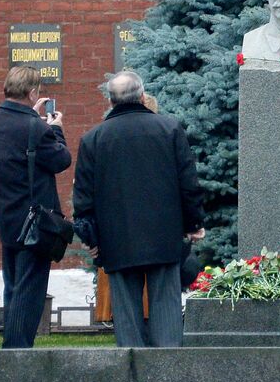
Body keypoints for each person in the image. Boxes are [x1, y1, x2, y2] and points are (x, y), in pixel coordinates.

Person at [73, 70, 204, 347]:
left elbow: (83, 199)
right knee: (166, 311)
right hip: (164, 237)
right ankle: (167, 376)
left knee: (127, 322)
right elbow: (188, 183)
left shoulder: (93, 139)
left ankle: (132, 376)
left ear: (110, 101)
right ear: (143, 96)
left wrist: (92, 240)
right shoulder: (169, 129)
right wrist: (193, 224)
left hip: (116, 240)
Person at [0, 65, 73, 349]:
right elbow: (61, 160)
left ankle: (12, 346)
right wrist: (55, 129)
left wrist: (35, 118)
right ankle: (16, 352)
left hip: (4, 215)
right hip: (36, 220)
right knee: (29, 289)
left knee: (13, 285)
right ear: (32, 93)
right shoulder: (37, 128)